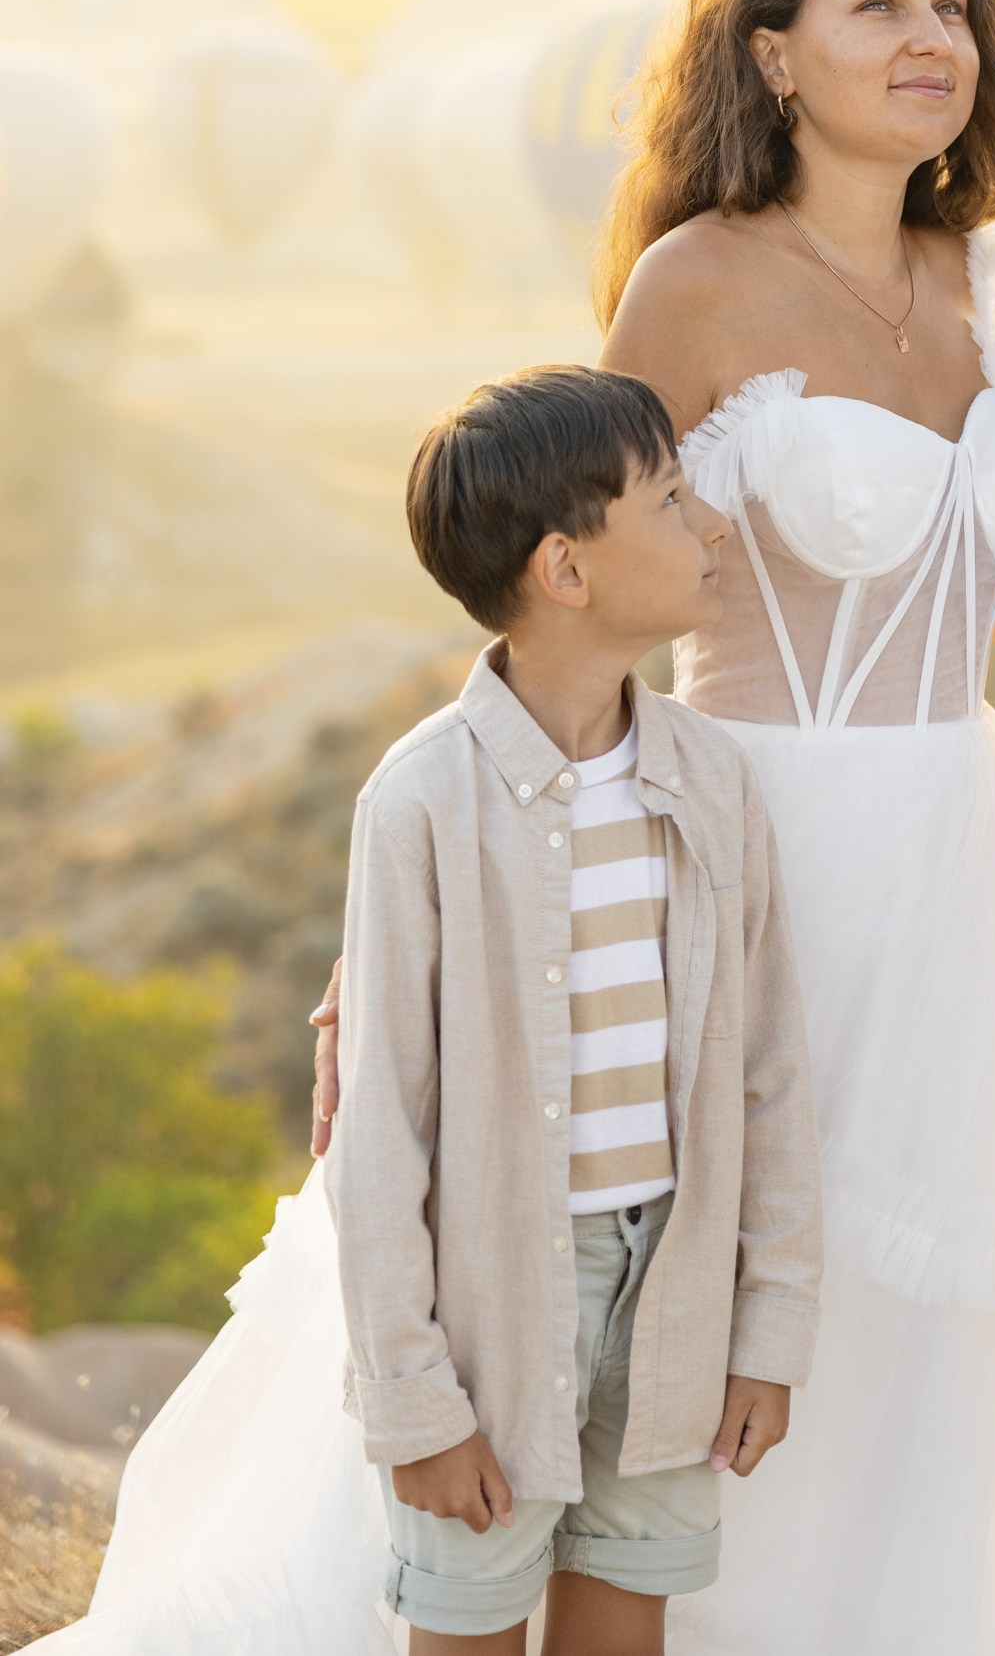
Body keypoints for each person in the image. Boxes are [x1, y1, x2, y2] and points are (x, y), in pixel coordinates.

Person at [596, 0, 995, 1656]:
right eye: (875, 5)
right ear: (771, 58)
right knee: (734, 1283)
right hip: (754, 839)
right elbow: (573, 589)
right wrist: (433, 912)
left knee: (937, 1323)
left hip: (964, 851)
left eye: (949, 7)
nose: (930, 39)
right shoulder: (695, 282)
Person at [47, 366, 823, 1656]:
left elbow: (770, 1072)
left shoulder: (711, 780)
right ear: (567, 571)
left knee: (629, 1620)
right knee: (467, 1627)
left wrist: (770, 1323)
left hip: (676, 1289)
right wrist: (416, 1405)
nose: (715, 528)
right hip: (491, 1310)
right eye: (676, 501)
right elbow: (383, 1132)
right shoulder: (418, 804)